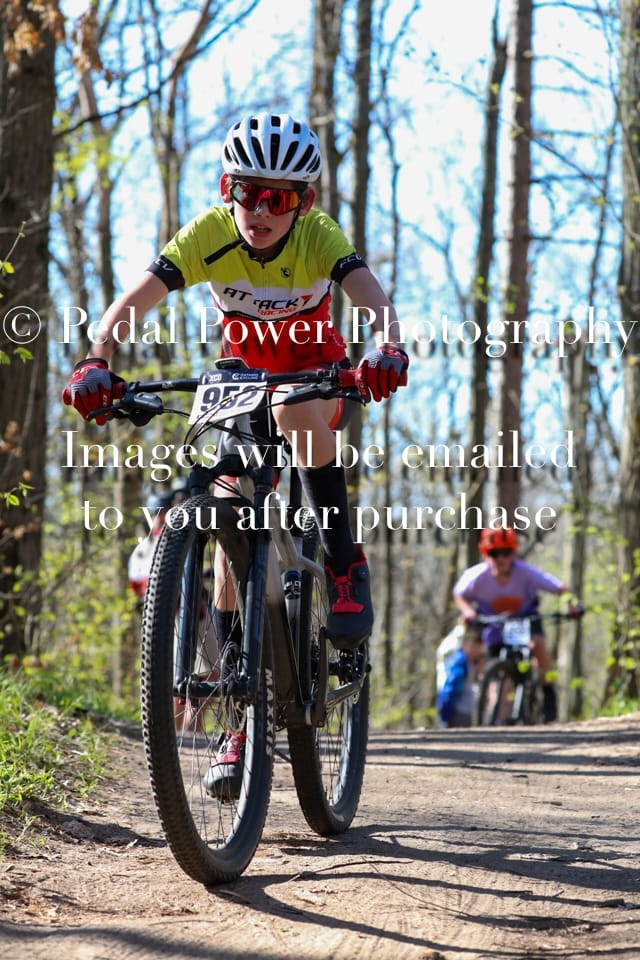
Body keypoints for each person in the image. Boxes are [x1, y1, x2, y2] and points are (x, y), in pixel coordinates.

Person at [63, 111, 409, 794]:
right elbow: (133, 301)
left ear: (303, 202)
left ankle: (342, 561)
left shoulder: (318, 235)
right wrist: (97, 359)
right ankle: (237, 717)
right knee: (226, 518)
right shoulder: (210, 233)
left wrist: (388, 347)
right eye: (248, 192)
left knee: (290, 409)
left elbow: (373, 298)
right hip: (242, 380)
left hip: (315, 376)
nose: (261, 210)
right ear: (229, 190)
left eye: (279, 197)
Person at [452, 527, 569, 722]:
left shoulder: (525, 572)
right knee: (497, 677)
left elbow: (557, 587)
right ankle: (495, 722)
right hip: (495, 624)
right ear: (486, 554)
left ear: (512, 553)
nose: (500, 558)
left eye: (505, 552)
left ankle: (548, 691)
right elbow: (459, 594)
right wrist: (468, 612)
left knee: (538, 645)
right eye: (494, 553)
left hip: (525, 620)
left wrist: (572, 604)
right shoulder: (476, 576)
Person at [436, 623, 486, 727]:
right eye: (477, 646)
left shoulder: (468, 662)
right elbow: (451, 686)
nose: (480, 651)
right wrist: (445, 714)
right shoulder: (460, 662)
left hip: (465, 711)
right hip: (459, 712)